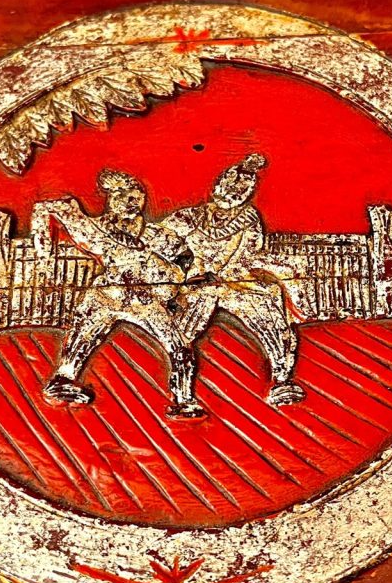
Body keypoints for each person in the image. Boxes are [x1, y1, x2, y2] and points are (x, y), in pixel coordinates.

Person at [30, 169, 204, 418]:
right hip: (107, 294)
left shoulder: (154, 235)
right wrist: (43, 257)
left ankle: (184, 399)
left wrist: (171, 279)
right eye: (126, 197)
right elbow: (47, 208)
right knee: (82, 335)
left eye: (138, 198)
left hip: (144, 299)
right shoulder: (96, 228)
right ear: (112, 199)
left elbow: (185, 258)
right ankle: (63, 380)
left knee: (179, 346)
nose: (133, 204)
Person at [163, 153, 305, 406]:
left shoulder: (249, 220)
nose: (233, 192)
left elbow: (248, 255)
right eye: (229, 186)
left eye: (242, 190)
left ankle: (282, 378)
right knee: (180, 333)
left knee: (268, 306)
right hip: (196, 283)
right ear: (218, 185)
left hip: (233, 280)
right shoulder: (189, 217)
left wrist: (228, 275)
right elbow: (160, 243)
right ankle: (182, 394)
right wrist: (187, 272)